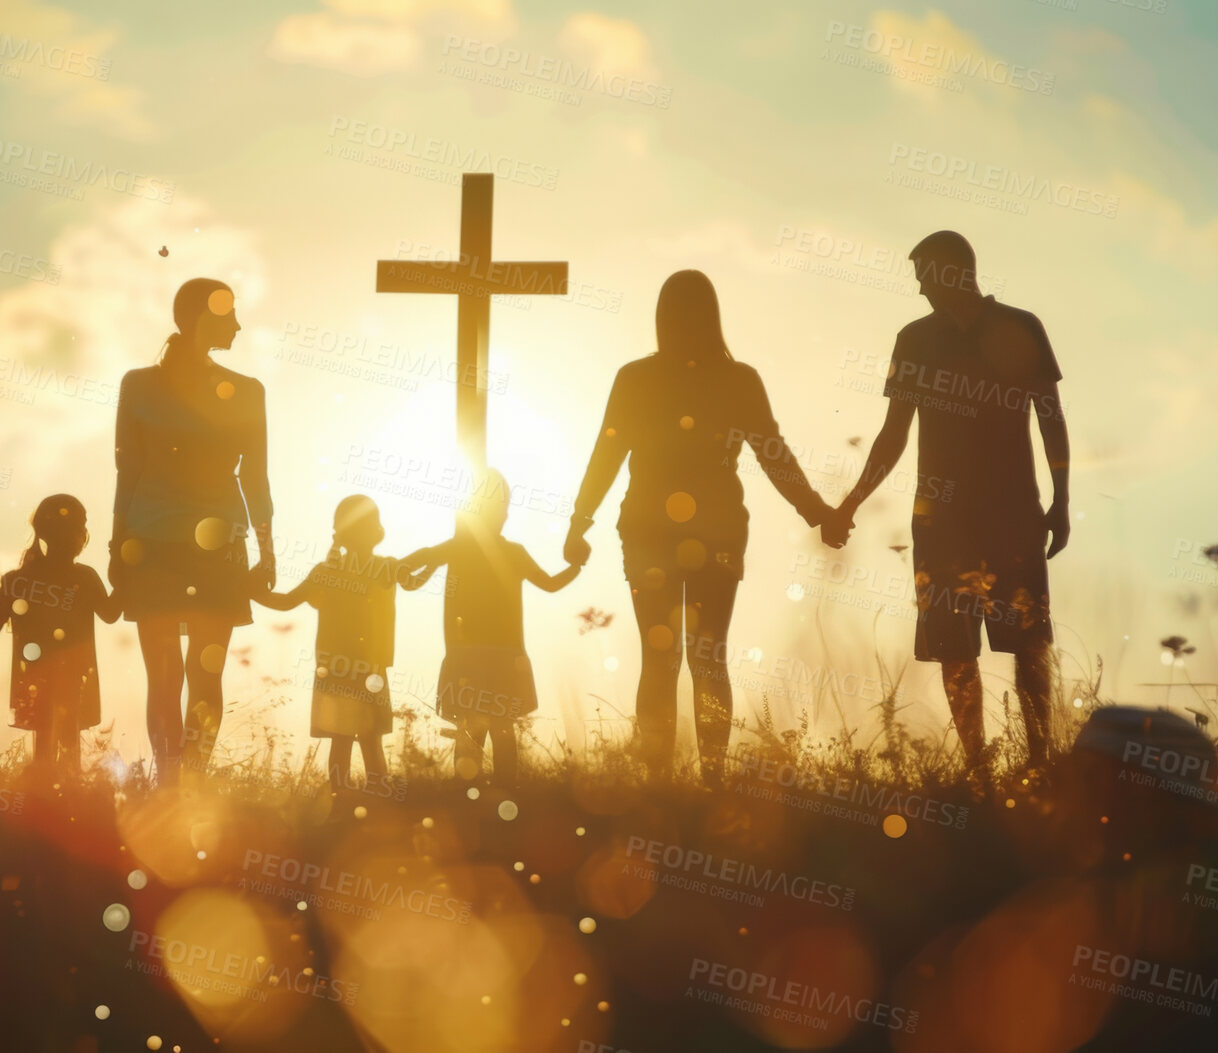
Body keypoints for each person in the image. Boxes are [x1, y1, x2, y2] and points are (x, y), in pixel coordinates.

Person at [565, 270, 842, 787]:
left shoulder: (638, 378)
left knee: (661, 656)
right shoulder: (736, 379)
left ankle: (659, 779)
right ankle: (709, 776)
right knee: (707, 655)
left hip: (652, 529)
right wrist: (817, 512)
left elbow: (607, 453)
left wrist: (580, 522)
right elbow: (773, 454)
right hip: (713, 530)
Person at [832, 231, 1070, 770]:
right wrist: (850, 503)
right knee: (953, 648)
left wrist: (1061, 501)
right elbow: (893, 436)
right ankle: (978, 768)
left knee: (1028, 643)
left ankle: (1040, 762)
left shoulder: (1022, 326)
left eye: (924, 278)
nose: (919, 291)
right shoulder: (913, 339)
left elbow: (1051, 417)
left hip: (1013, 513)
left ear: (951, 272)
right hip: (940, 523)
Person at [110, 278, 276, 782]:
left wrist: (119, 547)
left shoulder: (138, 385)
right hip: (213, 550)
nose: (240, 325)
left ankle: (171, 781)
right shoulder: (245, 392)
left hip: (153, 546)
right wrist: (266, 555)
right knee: (205, 678)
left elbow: (128, 472)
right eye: (231, 316)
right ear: (206, 317)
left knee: (165, 678)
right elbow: (255, 478)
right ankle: (188, 783)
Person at [406, 469, 581, 787]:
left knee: (473, 727)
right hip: (501, 656)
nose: (503, 513)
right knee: (501, 727)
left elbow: (418, 566)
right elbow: (552, 584)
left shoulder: (458, 546)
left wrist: (388, 567)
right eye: (502, 506)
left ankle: (469, 792)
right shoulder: (510, 552)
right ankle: (504, 791)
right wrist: (577, 566)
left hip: (469, 655)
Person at [256, 495, 429, 814]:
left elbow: (283, 602)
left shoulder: (327, 571)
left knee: (342, 739)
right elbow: (416, 579)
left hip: (335, 668)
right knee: (370, 738)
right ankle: (376, 799)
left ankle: (339, 800)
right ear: (376, 530)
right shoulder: (385, 568)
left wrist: (248, 588)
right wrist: (437, 556)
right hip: (370, 670)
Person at [0, 495, 119, 784]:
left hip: (34, 677)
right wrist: (126, 571)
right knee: (69, 739)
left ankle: (41, 798)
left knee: (44, 735)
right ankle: (68, 796)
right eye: (81, 527)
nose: (84, 535)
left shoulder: (16, 580)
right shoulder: (85, 577)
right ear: (76, 536)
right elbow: (111, 613)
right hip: (75, 675)